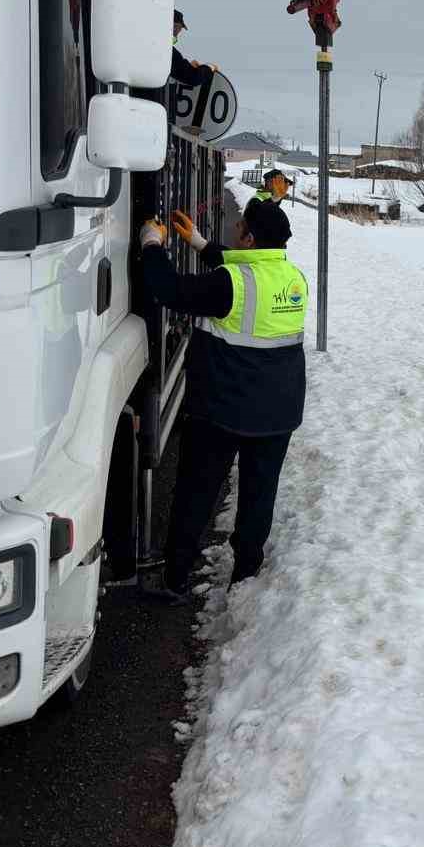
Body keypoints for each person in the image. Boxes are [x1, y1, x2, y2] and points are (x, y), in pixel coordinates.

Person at [137, 197, 308, 602]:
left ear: (249, 238)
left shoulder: (229, 284)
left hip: (223, 410)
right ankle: (245, 576)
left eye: (240, 227)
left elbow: (169, 289)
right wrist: (200, 243)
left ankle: (175, 579)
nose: (234, 229)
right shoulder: (293, 277)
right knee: (259, 496)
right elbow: (247, 269)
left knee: (196, 495)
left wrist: (151, 243)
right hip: (278, 412)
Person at [170, 8, 216, 88]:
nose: (177, 33)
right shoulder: (167, 53)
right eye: (177, 28)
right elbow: (193, 77)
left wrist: (189, 67)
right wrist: (209, 67)